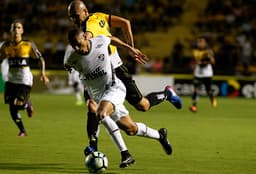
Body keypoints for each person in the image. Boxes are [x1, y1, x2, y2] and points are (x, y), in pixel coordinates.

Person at [67, 0, 182, 153]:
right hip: (100, 74)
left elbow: (90, 37)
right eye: (71, 17)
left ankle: (167, 94)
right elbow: (125, 23)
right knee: (96, 108)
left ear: (85, 12)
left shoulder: (87, 28)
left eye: (75, 16)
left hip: (115, 70)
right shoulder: (98, 16)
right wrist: (131, 46)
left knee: (143, 105)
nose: (74, 20)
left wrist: (130, 48)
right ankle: (93, 146)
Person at [64, 28, 173, 168]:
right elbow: (67, 64)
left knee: (101, 113)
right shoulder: (72, 57)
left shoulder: (100, 41)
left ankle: (125, 154)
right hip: (99, 96)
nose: (77, 48)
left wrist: (129, 48)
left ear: (85, 37)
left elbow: (112, 39)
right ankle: (160, 135)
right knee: (130, 129)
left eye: (79, 44)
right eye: (74, 46)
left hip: (114, 88)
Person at [0, 20, 49, 136]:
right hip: (11, 80)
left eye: (18, 28)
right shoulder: (5, 46)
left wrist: (43, 74)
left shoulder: (28, 44)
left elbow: (40, 59)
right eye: (14, 28)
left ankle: (27, 104)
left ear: (22, 31)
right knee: (12, 108)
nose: (16, 30)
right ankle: (22, 130)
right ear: (11, 31)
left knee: (19, 104)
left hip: (24, 80)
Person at [189, 36, 216, 112]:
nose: (199, 43)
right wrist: (194, 68)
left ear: (205, 43)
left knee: (208, 90)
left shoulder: (208, 51)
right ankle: (194, 106)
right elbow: (195, 61)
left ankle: (212, 98)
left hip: (207, 72)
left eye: (201, 42)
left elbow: (213, 62)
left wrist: (204, 62)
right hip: (198, 72)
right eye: (198, 42)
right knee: (196, 89)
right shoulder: (194, 50)